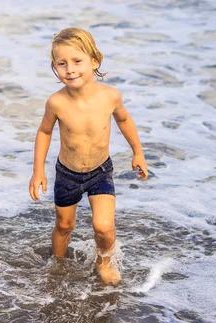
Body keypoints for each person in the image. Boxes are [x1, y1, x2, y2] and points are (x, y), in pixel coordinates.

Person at [28, 27, 149, 285]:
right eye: (62, 64)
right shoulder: (56, 102)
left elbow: (125, 120)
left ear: (95, 61)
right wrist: (38, 170)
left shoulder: (109, 96)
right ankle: (57, 265)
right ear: (54, 67)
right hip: (67, 174)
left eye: (77, 61)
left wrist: (137, 152)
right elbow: (44, 132)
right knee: (64, 226)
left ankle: (104, 261)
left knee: (104, 227)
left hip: (100, 172)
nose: (69, 69)